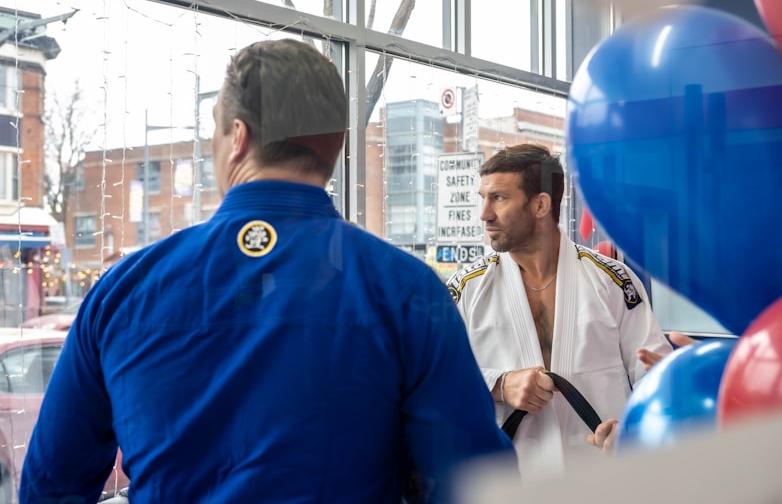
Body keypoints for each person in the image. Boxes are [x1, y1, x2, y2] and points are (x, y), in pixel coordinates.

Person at [19, 39, 514, 503]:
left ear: (238, 137)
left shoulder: (123, 292)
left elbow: (49, 486)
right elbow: (479, 485)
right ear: (337, 144)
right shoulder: (406, 291)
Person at [445, 143, 672, 478]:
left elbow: (657, 380)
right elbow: (436, 383)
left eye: (499, 198)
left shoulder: (613, 281)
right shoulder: (467, 288)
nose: (485, 214)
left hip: (599, 479)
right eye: (484, 198)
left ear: (540, 204)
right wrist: (499, 385)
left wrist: (633, 430)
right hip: (508, 480)